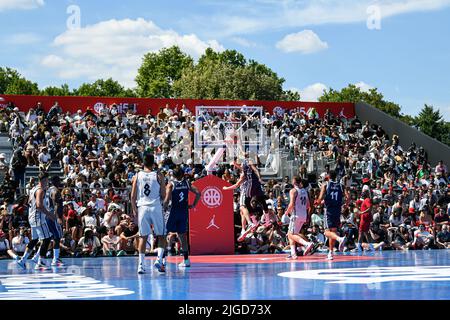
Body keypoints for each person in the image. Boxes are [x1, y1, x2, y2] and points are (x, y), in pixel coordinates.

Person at [131, 153, 166, 274]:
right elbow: (163, 194)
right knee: (161, 236)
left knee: (143, 237)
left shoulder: (137, 175)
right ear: (153, 163)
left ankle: (141, 265)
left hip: (142, 207)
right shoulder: (158, 174)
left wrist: (134, 209)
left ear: (143, 163)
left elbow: (132, 195)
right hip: (155, 206)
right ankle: (159, 259)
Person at [16, 172, 55, 270]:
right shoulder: (40, 190)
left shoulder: (33, 189)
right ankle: (41, 261)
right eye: (47, 180)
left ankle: (23, 260)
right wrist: (49, 214)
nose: (48, 182)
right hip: (38, 218)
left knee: (35, 239)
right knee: (47, 238)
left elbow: (29, 202)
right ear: (44, 180)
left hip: (32, 217)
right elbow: (39, 205)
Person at [163, 166, 200, 267]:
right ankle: (186, 260)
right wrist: (193, 205)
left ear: (173, 175)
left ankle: (161, 260)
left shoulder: (171, 184)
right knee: (182, 236)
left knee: (164, 234)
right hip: (183, 212)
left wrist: (163, 209)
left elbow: (166, 200)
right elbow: (198, 193)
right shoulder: (187, 183)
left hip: (172, 212)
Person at [318, 170, 347, 260]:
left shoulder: (325, 184)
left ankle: (340, 239)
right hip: (337, 210)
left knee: (326, 232)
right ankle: (330, 253)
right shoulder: (341, 185)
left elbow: (320, 197)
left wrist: (319, 201)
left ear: (328, 176)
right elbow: (348, 196)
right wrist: (345, 205)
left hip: (329, 210)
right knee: (332, 232)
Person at [285, 176, 314, 259]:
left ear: (294, 181)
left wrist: (286, 212)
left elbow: (291, 204)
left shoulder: (293, 191)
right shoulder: (305, 191)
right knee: (292, 234)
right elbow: (308, 205)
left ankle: (307, 244)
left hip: (296, 215)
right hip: (303, 215)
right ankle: (293, 253)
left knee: (290, 234)